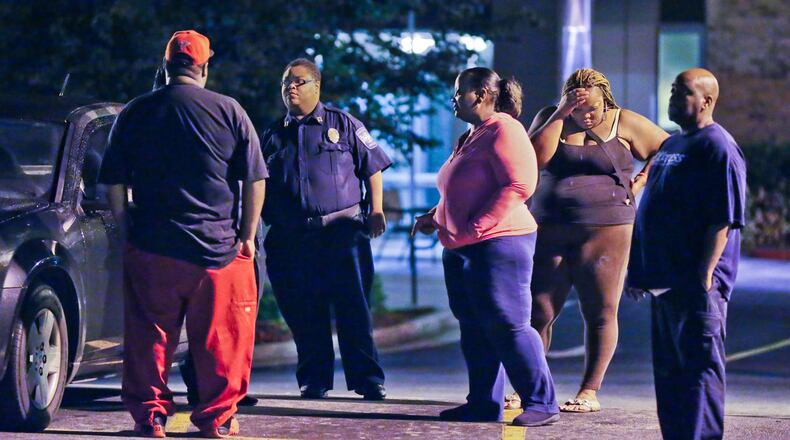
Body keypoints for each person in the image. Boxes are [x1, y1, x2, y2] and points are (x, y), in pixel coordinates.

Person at [99, 30, 267, 438]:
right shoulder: (230, 111)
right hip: (217, 253)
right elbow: (255, 179)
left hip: (154, 249)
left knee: (149, 339)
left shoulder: (136, 112)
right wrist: (246, 234)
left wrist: (127, 231)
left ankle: (151, 417)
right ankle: (218, 420)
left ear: (165, 66)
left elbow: (114, 183)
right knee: (221, 342)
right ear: (205, 67)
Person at [511, 68, 668, 413]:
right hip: (551, 226)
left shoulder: (622, 121)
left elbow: (667, 147)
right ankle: (530, 386)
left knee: (599, 309)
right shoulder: (552, 118)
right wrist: (561, 112)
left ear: (605, 99)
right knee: (539, 308)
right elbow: (534, 158)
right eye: (580, 107)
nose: (588, 115)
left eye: (593, 107)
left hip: (608, 229)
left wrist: (642, 179)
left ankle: (588, 390)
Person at [413, 67, 559, 427]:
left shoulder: (504, 129)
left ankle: (542, 401)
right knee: (475, 326)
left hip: (499, 243)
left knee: (509, 324)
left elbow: (519, 185)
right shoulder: (473, 134)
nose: (453, 98)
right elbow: (461, 187)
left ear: (479, 94)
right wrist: (435, 215)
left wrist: (475, 228)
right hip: (464, 246)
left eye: (458, 91)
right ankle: (483, 402)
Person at [260, 58, 391, 400]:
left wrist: (375, 209)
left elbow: (372, 167)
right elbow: (258, 184)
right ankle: (314, 379)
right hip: (292, 239)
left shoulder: (343, 124)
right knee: (304, 312)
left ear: (317, 86)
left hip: (342, 233)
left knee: (354, 308)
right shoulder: (272, 135)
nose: (291, 87)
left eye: (299, 81)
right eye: (286, 82)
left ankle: (367, 379)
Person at [627, 68, 746, 440]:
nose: (673, 98)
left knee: (698, 374)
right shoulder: (672, 145)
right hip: (664, 284)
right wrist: (639, 271)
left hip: (695, 287)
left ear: (707, 101)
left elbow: (723, 218)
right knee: (670, 375)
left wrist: (705, 275)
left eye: (683, 93)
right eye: (673, 91)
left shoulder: (718, 146)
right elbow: (653, 208)